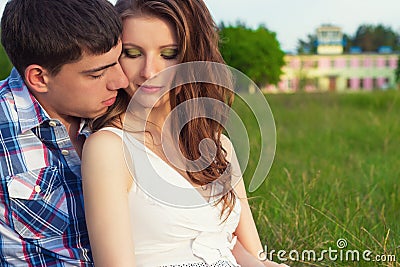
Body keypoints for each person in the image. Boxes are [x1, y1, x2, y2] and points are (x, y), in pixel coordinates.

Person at [82, 0, 288, 266]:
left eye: (168, 54)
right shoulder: (109, 149)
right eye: (133, 53)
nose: (149, 72)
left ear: (192, 57)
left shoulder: (218, 146)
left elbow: (251, 253)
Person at [0, 0, 128, 265]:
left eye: (119, 60)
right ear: (39, 78)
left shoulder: (124, 109)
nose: (121, 81)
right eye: (97, 74)